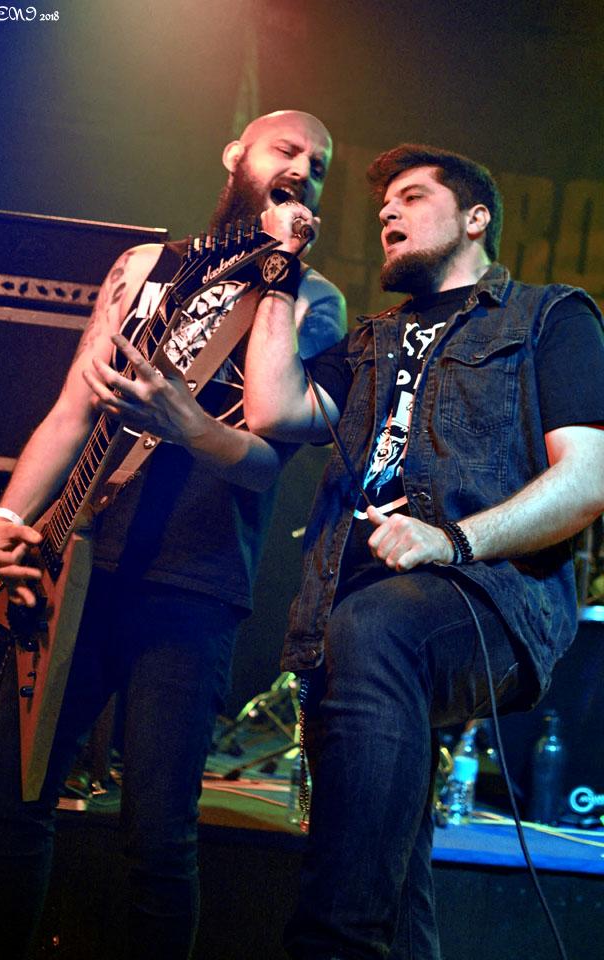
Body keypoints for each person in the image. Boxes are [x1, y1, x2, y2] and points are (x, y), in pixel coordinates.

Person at [0, 110, 345, 959]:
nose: (303, 168)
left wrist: (193, 424)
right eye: (286, 149)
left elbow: (264, 463)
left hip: (192, 583)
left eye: (319, 165)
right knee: (9, 798)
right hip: (74, 560)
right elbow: (73, 409)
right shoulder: (145, 267)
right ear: (236, 156)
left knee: (158, 835)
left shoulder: (312, 299)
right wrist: (8, 519)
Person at [245, 143, 604, 959]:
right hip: (343, 620)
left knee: (376, 629)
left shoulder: (549, 316)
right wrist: (277, 269)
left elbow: (589, 480)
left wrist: (451, 540)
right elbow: (271, 410)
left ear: (476, 218)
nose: (387, 213)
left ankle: (330, 945)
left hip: (489, 598)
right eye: (383, 206)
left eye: (410, 197)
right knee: (392, 860)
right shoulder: (370, 341)